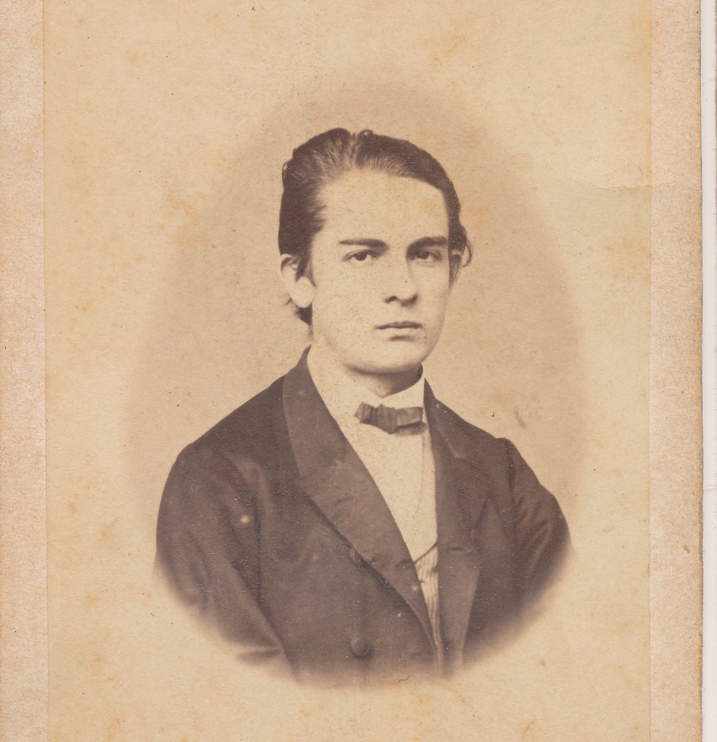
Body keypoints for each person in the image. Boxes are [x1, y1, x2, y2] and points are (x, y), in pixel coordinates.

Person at [156, 128, 569, 682]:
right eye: (363, 255)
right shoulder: (219, 478)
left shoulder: (503, 474)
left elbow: (563, 674)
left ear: (452, 269)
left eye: (425, 254)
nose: (403, 287)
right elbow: (231, 703)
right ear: (299, 278)